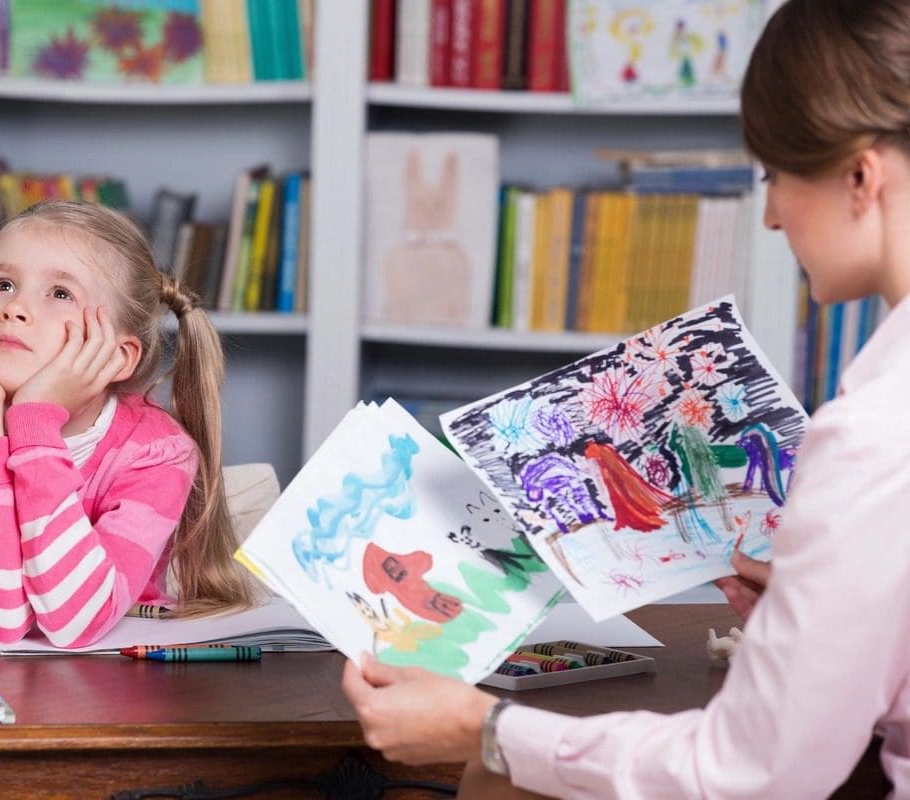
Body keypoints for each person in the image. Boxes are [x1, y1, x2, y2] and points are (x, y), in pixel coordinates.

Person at [342, 0, 910, 795]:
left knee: (493, 780)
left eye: (775, 175)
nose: (774, 216)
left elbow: (747, 777)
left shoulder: (876, 435)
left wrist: (488, 728)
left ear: (861, 175)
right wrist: (831, 611)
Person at [0, 200, 253, 648]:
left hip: (116, 690)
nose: (15, 309)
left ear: (117, 356)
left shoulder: (156, 453)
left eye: (60, 293)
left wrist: (34, 423)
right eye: (3, 284)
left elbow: (77, 623)